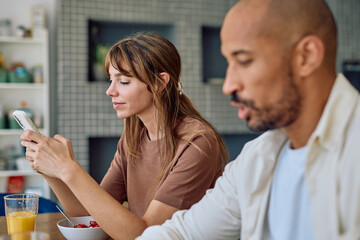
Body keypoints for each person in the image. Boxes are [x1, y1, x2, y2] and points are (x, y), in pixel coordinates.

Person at [137, 0, 360, 239]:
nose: (228, 85)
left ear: (306, 56)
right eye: (228, 63)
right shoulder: (257, 159)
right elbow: (182, 233)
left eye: (243, 61)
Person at [20, 33, 229, 239]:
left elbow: (145, 235)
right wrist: (50, 169)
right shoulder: (133, 137)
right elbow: (90, 216)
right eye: (111, 80)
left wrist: (68, 168)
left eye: (124, 82)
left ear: (159, 83)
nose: (110, 91)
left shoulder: (197, 142)